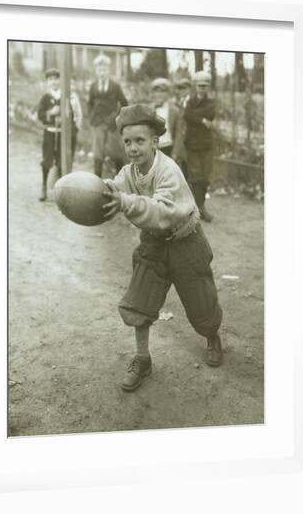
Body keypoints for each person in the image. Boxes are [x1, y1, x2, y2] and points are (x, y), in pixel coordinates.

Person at [102, 104, 223, 392]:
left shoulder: (169, 170)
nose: (133, 148)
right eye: (128, 142)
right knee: (139, 300)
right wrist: (98, 190)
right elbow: (115, 187)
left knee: (201, 303)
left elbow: (162, 212)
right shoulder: (129, 171)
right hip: (154, 242)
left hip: (185, 240)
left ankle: (212, 336)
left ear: (155, 142)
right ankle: (143, 359)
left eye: (140, 141)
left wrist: (125, 202)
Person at [87, 54, 128, 177]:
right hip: (98, 123)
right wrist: (91, 117)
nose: (102, 72)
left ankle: (120, 182)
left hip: (112, 125)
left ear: (108, 70)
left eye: (104, 69)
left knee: (116, 153)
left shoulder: (115, 86)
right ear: (96, 71)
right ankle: (96, 182)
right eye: (100, 70)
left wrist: (116, 117)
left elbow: (124, 103)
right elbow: (89, 103)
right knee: (98, 155)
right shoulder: (93, 86)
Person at [183, 71, 216, 222]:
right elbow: (186, 115)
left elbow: (209, 113)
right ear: (195, 86)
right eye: (199, 85)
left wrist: (195, 116)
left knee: (205, 177)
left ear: (208, 87)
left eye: (205, 85)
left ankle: (200, 207)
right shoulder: (189, 102)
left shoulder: (211, 103)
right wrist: (202, 120)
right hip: (192, 144)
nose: (202, 88)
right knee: (196, 177)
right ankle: (199, 208)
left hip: (206, 145)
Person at [37, 68, 62, 201]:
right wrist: (51, 113)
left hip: (62, 134)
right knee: (47, 160)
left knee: (61, 161)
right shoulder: (46, 98)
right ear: (47, 82)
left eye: (56, 79)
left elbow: (72, 114)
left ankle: (62, 191)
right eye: (50, 79)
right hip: (49, 133)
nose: (54, 82)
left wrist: (64, 117)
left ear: (60, 80)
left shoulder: (65, 96)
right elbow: (40, 115)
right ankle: (44, 187)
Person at [150, 77, 182, 159]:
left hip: (168, 146)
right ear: (153, 93)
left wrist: (175, 152)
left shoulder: (174, 110)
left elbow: (178, 133)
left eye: (163, 91)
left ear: (167, 93)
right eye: (157, 91)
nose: (159, 94)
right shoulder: (149, 110)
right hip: (153, 148)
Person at [172, 77, 192, 178]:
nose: (181, 91)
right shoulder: (178, 103)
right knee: (182, 168)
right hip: (181, 139)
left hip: (191, 139)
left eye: (184, 88)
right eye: (179, 89)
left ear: (189, 89)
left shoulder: (192, 103)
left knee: (191, 168)